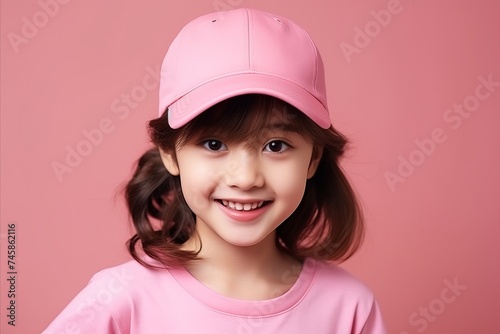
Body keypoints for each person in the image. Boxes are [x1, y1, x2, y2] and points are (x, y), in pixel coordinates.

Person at [43, 8, 387, 334]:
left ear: (313, 158)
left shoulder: (349, 307)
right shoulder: (118, 300)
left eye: (276, 145)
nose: (245, 178)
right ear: (169, 153)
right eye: (213, 144)